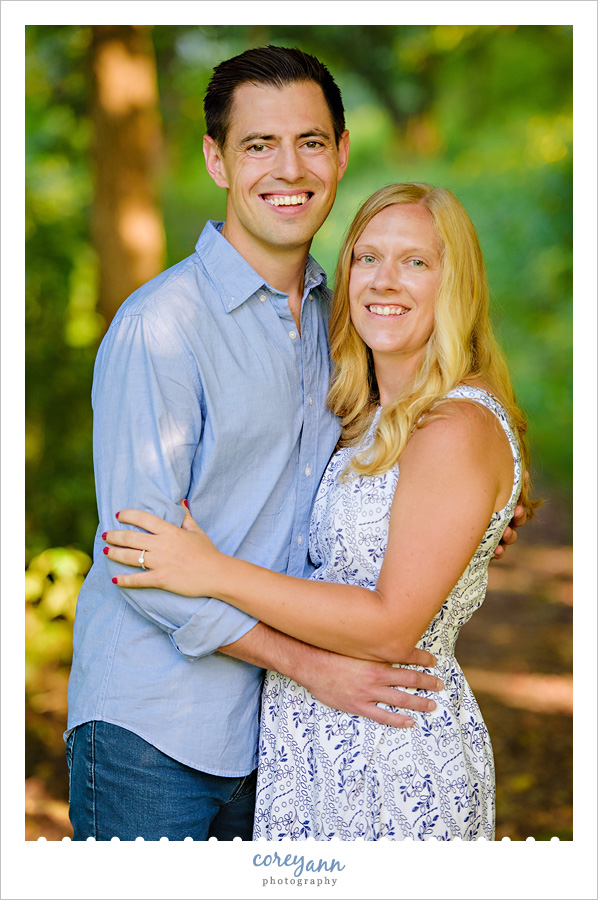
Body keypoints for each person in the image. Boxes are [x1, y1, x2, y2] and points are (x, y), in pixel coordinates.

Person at [67, 46, 524, 841]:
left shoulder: (343, 325)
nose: (289, 168)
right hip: (158, 726)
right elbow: (140, 559)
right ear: (216, 159)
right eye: (257, 145)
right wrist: (309, 664)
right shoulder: (161, 328)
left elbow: (399, 479)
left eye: (310, 141)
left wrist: (478, 524)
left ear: (340, 153)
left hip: (285, 741)